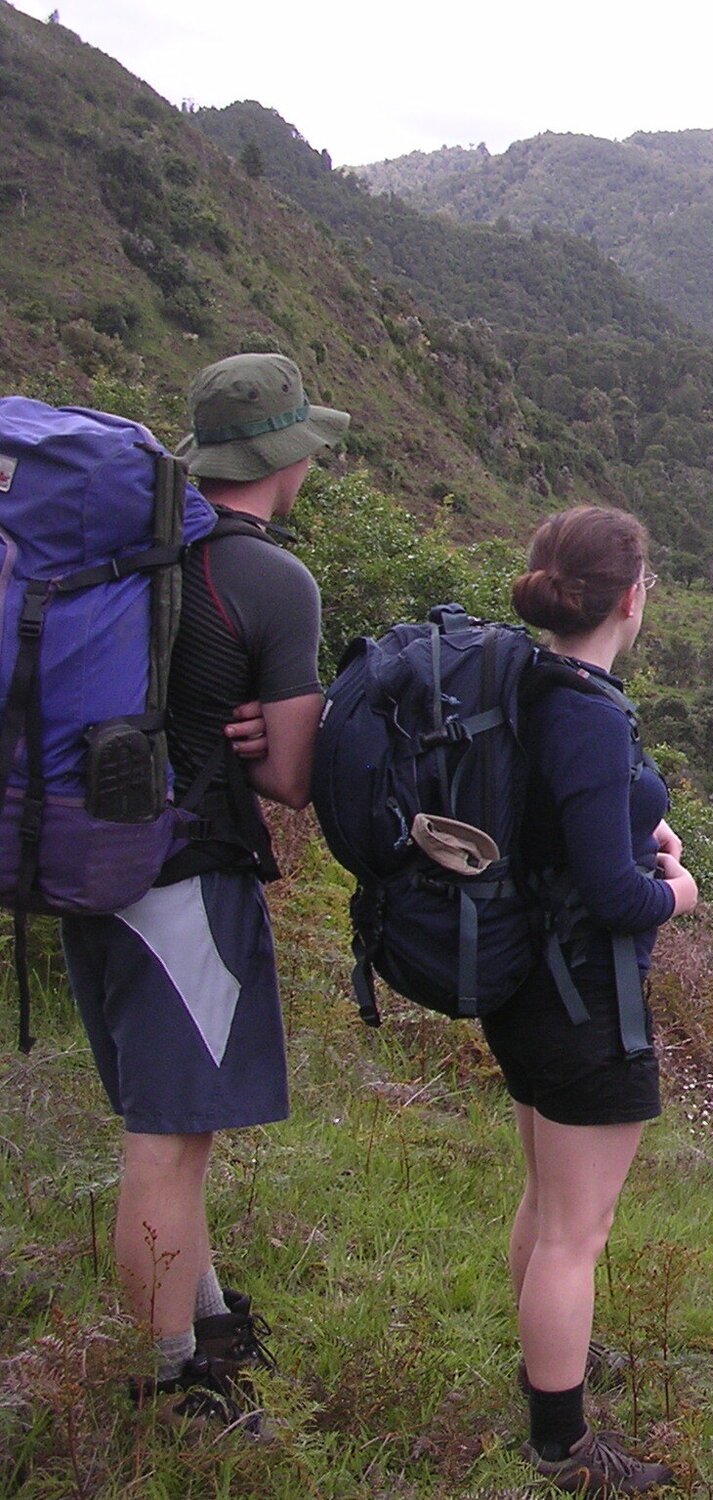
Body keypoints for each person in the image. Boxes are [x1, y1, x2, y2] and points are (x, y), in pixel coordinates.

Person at [60, 352, 344, 1429]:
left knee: (176, 1121)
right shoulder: (270, 579)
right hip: (182, 873)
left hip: (93, 858)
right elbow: (289, 777)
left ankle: (208, 1316)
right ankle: (173, 1382)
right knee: (167, 1138)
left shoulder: (129, 548)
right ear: (284, 458)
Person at [486, 505, 697, 1494]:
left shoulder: (526, 683)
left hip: (524, 980)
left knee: (546, 1195)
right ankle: (559, 1445)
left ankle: (549, 1370)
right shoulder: (590, 714)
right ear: (629, 596)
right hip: (583, 998)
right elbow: (614, 899)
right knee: (578, 1231)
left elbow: (564, 840)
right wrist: (675, 891)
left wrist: (635, 842)